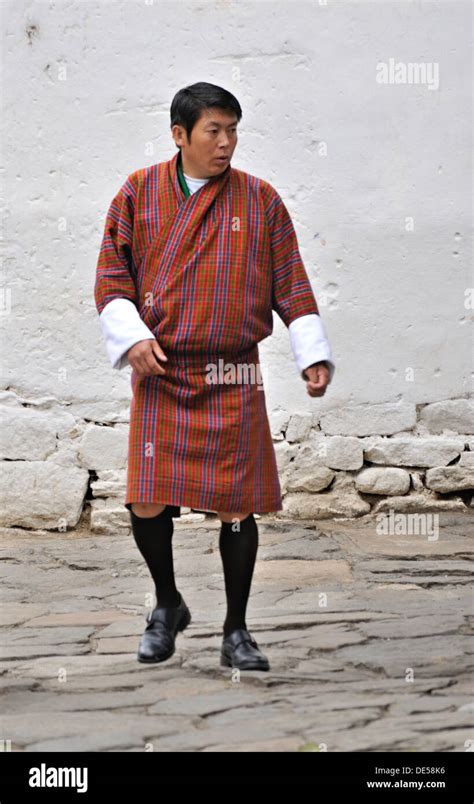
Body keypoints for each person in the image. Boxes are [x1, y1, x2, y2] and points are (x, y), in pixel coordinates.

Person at [94, 82, 335, 671]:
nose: (226, 143)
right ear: (180, 135)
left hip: (232, 372)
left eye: (233, 131)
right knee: (147, 498)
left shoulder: (261, 200)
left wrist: (312, 353)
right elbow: (111, 281)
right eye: (213, 132)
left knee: (236, 504)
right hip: (161, 369)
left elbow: (293, 282)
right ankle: (167, 605)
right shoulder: (138, 193)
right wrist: (133, 338)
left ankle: (236, 631)